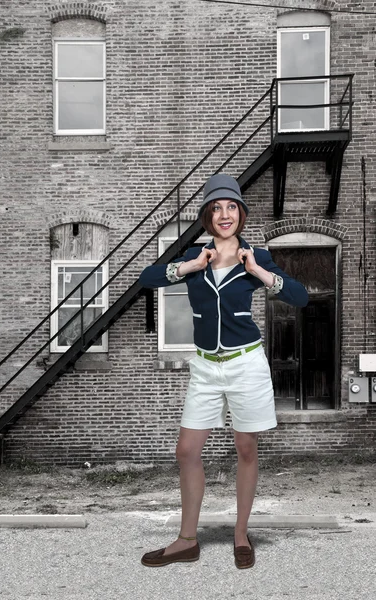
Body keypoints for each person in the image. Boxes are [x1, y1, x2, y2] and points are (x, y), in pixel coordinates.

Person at [139, 173, 308, 569]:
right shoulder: (196, 257)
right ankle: (186, 540)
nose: (225, 213)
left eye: (231, 206)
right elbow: (147, 278)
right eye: (216, 207)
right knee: (187, 451)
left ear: (241, 214)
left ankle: (239, 534)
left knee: (246, 449)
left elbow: (299, 297)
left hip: (245, 363)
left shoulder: (257, 256)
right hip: (205, 367)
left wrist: (259, 272)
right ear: (207, 216)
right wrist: (190, 266)